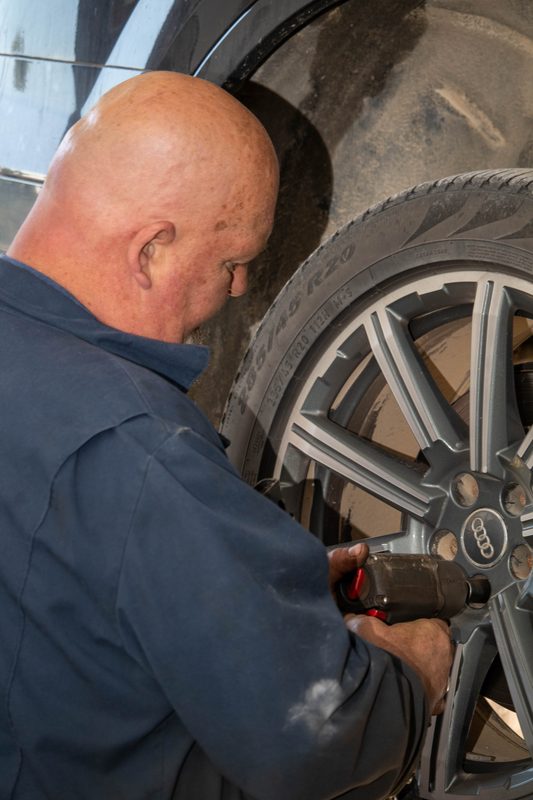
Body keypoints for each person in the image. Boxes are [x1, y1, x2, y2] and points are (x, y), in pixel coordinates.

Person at [0, 71, 453, 799]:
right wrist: (408, 674)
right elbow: (313, 744)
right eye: (231, 262)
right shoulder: (138, 448)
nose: (240, 290)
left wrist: (242, 588)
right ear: (149, 250)